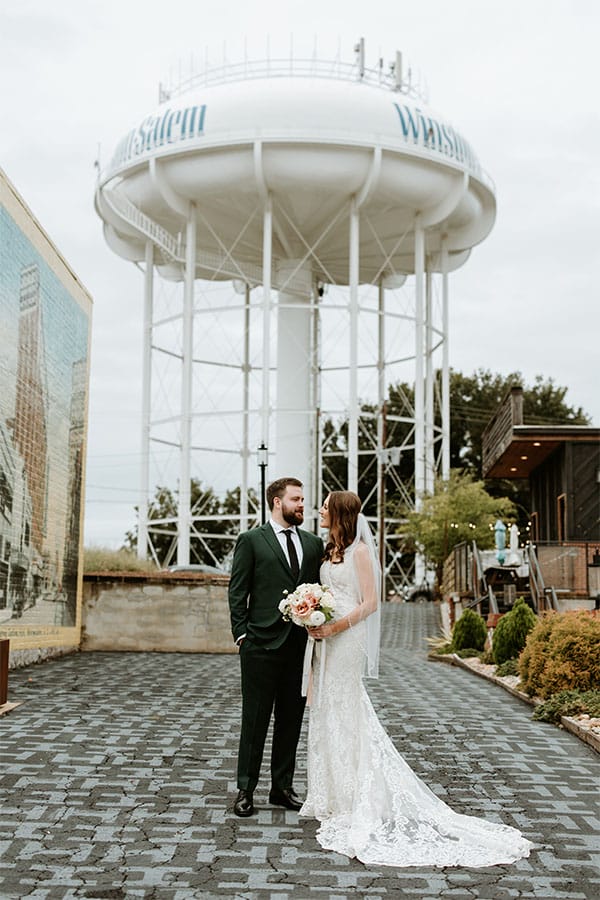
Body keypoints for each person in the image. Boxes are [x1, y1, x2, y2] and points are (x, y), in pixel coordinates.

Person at [300, 490, 533, 868]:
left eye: (325, 507)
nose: (320, 512)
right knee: (327, 707)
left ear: (341, 513)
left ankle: (353, 794)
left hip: (346, 638)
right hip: (325, 637)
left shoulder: (360, 552)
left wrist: (336, 625)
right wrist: (311, 612)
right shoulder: (329, 551)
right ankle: (331, 794)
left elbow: (371, 602)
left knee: (344, 704)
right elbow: (328, 593)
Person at [228, 477, 323, 818]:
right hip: (259, 645)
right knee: (254, 720)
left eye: (302, 499)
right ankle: (245, 790)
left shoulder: (313, 544)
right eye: (296, 499)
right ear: (276, 502)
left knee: (291, 719)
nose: (302, 505)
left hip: (299, 646)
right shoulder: (252, 541)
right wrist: (242, 634)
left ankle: (282, 788)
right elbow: (238, 590)